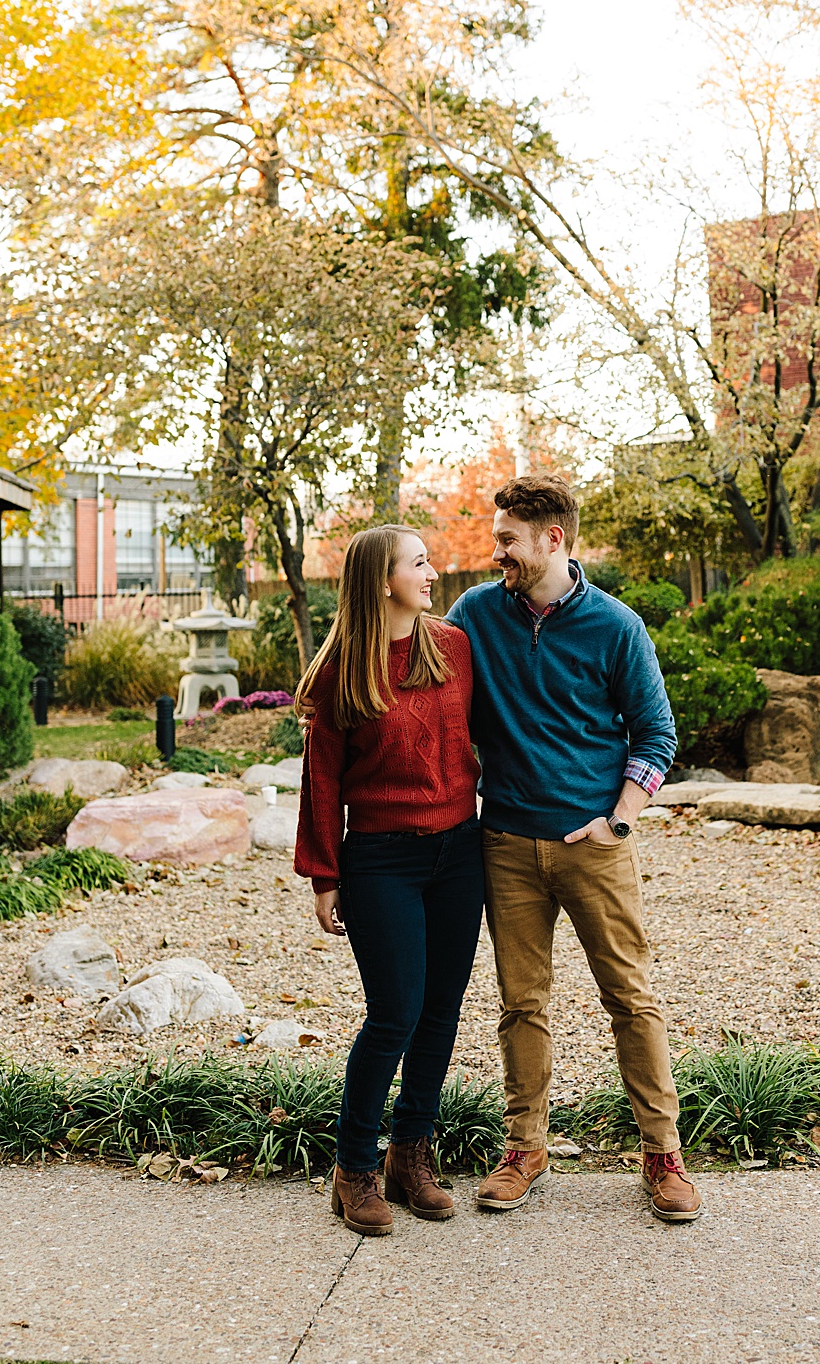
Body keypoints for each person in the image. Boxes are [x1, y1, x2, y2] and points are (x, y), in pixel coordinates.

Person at [445, 473, 702, 1222]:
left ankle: (662, 1154)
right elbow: (422, 683)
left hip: (594, 843)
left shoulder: (617, 627)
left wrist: (617, 820)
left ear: (552, 540)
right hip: (506, 843)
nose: (497, 555)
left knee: (631, 998)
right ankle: (525, 1148)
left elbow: (657, 736)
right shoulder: (475, 615)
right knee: (521, 1004)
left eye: (506, 542)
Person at [294, 525, 483, 1237]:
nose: (432, 572)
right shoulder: (340, 669)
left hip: (459, 853)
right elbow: (321, 780)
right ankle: (353, 1169)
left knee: (441, 1010)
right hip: (381, 860)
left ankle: (411, 1157)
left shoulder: (454, 649)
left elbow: (488, 735)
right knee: (394, 1013)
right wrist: (323, 874)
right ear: (382, 581)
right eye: (419, 563)